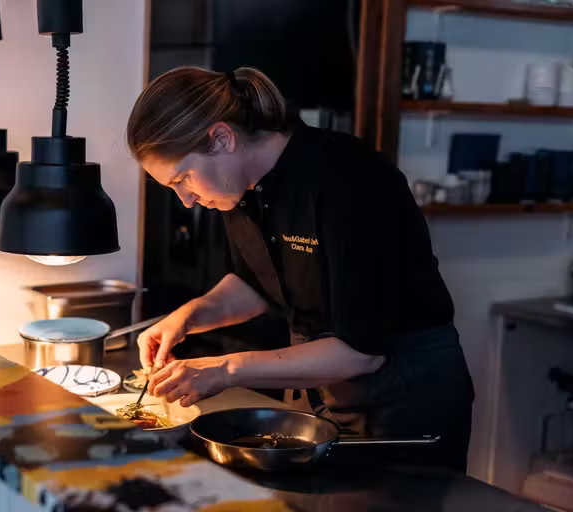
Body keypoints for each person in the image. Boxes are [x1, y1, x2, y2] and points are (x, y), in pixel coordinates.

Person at [126, 66, 475, 471]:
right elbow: (258, 282)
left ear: (222, 138)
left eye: (183, 179)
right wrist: (187, 318)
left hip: (408, 402)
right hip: (329, 395)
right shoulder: (236, 191)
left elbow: (361, 353)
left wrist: (224, 369)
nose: (185, 200)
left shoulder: (347, 180)